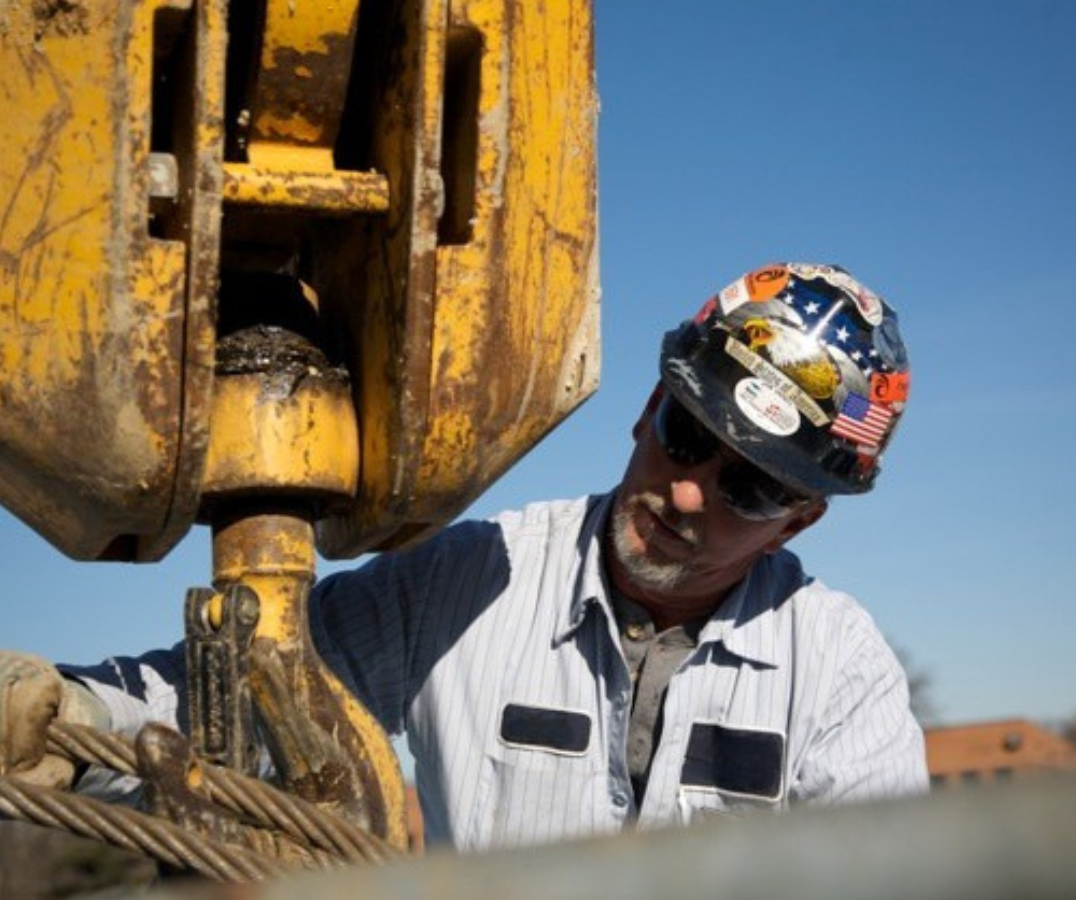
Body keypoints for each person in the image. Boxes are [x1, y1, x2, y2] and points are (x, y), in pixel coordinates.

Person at [0, 262, 927, 851]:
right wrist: (70, 718)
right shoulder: (472, 582)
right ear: (648, 409)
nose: (689, 494)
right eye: (687, 434)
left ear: (798, 520)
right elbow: (229, 696)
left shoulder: (839, 673)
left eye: (752, 487)